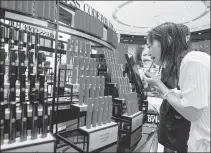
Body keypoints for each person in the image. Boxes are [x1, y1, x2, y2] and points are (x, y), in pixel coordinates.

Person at [144, 22, 210, 152]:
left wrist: (159, 83)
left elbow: (192, 113)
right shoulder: (187, 61)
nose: (148, 51)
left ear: (168, 40)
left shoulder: (192, 61)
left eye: (150, 46)